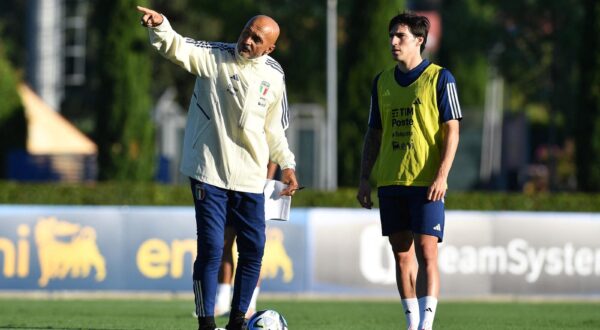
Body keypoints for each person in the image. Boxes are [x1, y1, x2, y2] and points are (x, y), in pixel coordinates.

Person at [137, 6, 299, 330]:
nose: (247, 41)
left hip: (252, 178)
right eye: (246, 33)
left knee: (254, 249)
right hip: (209, 171)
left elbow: (274, 130)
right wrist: (160, 26)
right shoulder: (216, 57)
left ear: (270, 48)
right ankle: (206, 323)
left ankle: (239, 320)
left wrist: (288, 164)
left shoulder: (274, 76)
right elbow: (179, 47)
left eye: (257, 39)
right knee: (212, 247)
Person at [356, 12, 461, 330]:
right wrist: (364, 178)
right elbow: (374, 133)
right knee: (401, 254)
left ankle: (426, 326)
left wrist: (442, 175)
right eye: (391, 35)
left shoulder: (441, 78)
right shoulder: (382, 81)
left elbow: (452, 131)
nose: (393, 42)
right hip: (390, 181)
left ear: (419, 40)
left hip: (427, 182)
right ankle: (412, 323)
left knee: (427, 252)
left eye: (400, 36)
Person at [214, 161, 279, 319]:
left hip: (255, 186)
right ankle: (222, 301)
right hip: (231, 184)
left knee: (252, 248)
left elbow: (273, 150)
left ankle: (249, 305)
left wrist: (266, 181)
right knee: (224, 242)